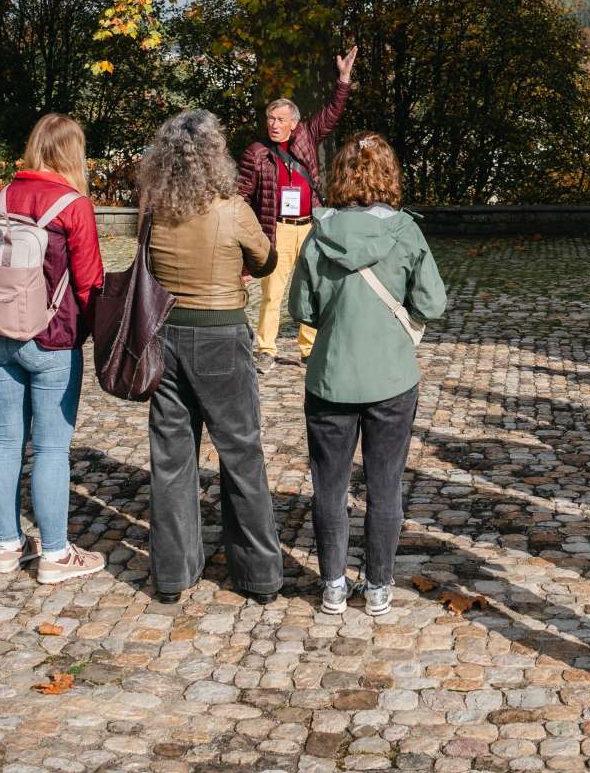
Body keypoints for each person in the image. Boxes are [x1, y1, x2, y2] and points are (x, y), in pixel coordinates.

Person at [286, 134, 447, 618]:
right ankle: (378, 585)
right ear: (389, 175)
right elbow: (432, 304)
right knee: (385, 485)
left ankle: (333, 585)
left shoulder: (319, 233)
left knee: (329, 487)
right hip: (392, 378)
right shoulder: (406, 232)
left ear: (339, 176)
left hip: (331, 377)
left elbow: (302, 309)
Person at [141, 110, 283, 603]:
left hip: (165, 334)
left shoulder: (154, 210)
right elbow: (265, 259)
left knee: (171, 456)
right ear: (215, 156)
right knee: (241, 453)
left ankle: (172, 574)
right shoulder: (232, 208)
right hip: (221, 333)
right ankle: (258, 575)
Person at [0, 114, 106, 584]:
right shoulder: (74, 205)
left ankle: (7, 545)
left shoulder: (0, 197)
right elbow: (89, 281)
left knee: (5, 440)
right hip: (52, 336)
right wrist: (100, 332)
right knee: (51, 448)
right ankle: (54, 552)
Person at [238, 46, 356, 366]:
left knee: (312, 289)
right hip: (276, 229)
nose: (274, 124)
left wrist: (343, 79)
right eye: (270, 118)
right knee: (272, 294)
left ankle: (308, 349)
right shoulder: (256, 152)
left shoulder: (307, 136)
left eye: (280, 119)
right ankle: (266, 349)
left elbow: (333, 111)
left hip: (309, 226)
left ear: (294, 123)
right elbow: (242, 196)